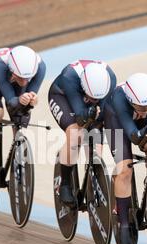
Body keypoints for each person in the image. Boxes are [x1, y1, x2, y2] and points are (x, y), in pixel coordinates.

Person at [104, 73, 147, 244]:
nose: (145, 109)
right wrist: (146, 133)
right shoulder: (119, 97)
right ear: (131, 100)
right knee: (125, 169)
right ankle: (123, 223)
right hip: (117, 122)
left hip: (141, 126)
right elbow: (133, 136)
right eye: (140, 106)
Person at [48, 60, 116, 208]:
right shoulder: (69, 77)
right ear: (83, 86)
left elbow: (102, 114)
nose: (94, 101)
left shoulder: (110, 78)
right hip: (62, 96)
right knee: (76, 134)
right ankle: (65, 183)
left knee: (96, 145)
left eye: (96, 98)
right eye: (91, 97)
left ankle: (92, 175)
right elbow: (80, 117)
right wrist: (89, 114)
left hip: (89, 102)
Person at [0, 45, 46, 172]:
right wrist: (19, 100)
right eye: (21, 77)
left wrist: (31, 100)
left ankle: (17, 163)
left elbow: (29, 98)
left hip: (14, 85)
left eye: (28, 78)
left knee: (20, 126)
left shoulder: (40, 67)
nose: (25, 82)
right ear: (12, 70)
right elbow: (11, 100)